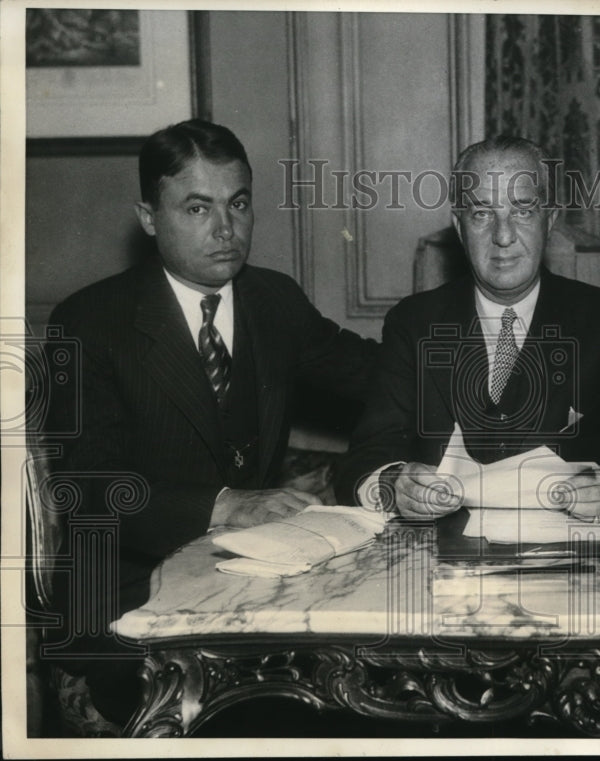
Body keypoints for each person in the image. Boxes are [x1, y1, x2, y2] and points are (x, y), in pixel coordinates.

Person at [44, 119, 377, 724]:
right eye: (197, 208)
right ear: (149, 218)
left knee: (360, 695)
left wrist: (492, 367)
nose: (226, 229)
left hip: (257, 587)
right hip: (130, 599)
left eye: (238, 203)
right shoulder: (89, 323)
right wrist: (225, 503)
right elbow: (90, 490)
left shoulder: (274, 300)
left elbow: (377, 374)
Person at [336, 136, 600, 521]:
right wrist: (393, 485)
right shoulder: (414, 323)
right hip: (442, 556)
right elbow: (363, 459)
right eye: (482, 214)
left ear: (549, 221)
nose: (503, 237)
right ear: (459, 225)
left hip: (568, 552)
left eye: (522, 211)